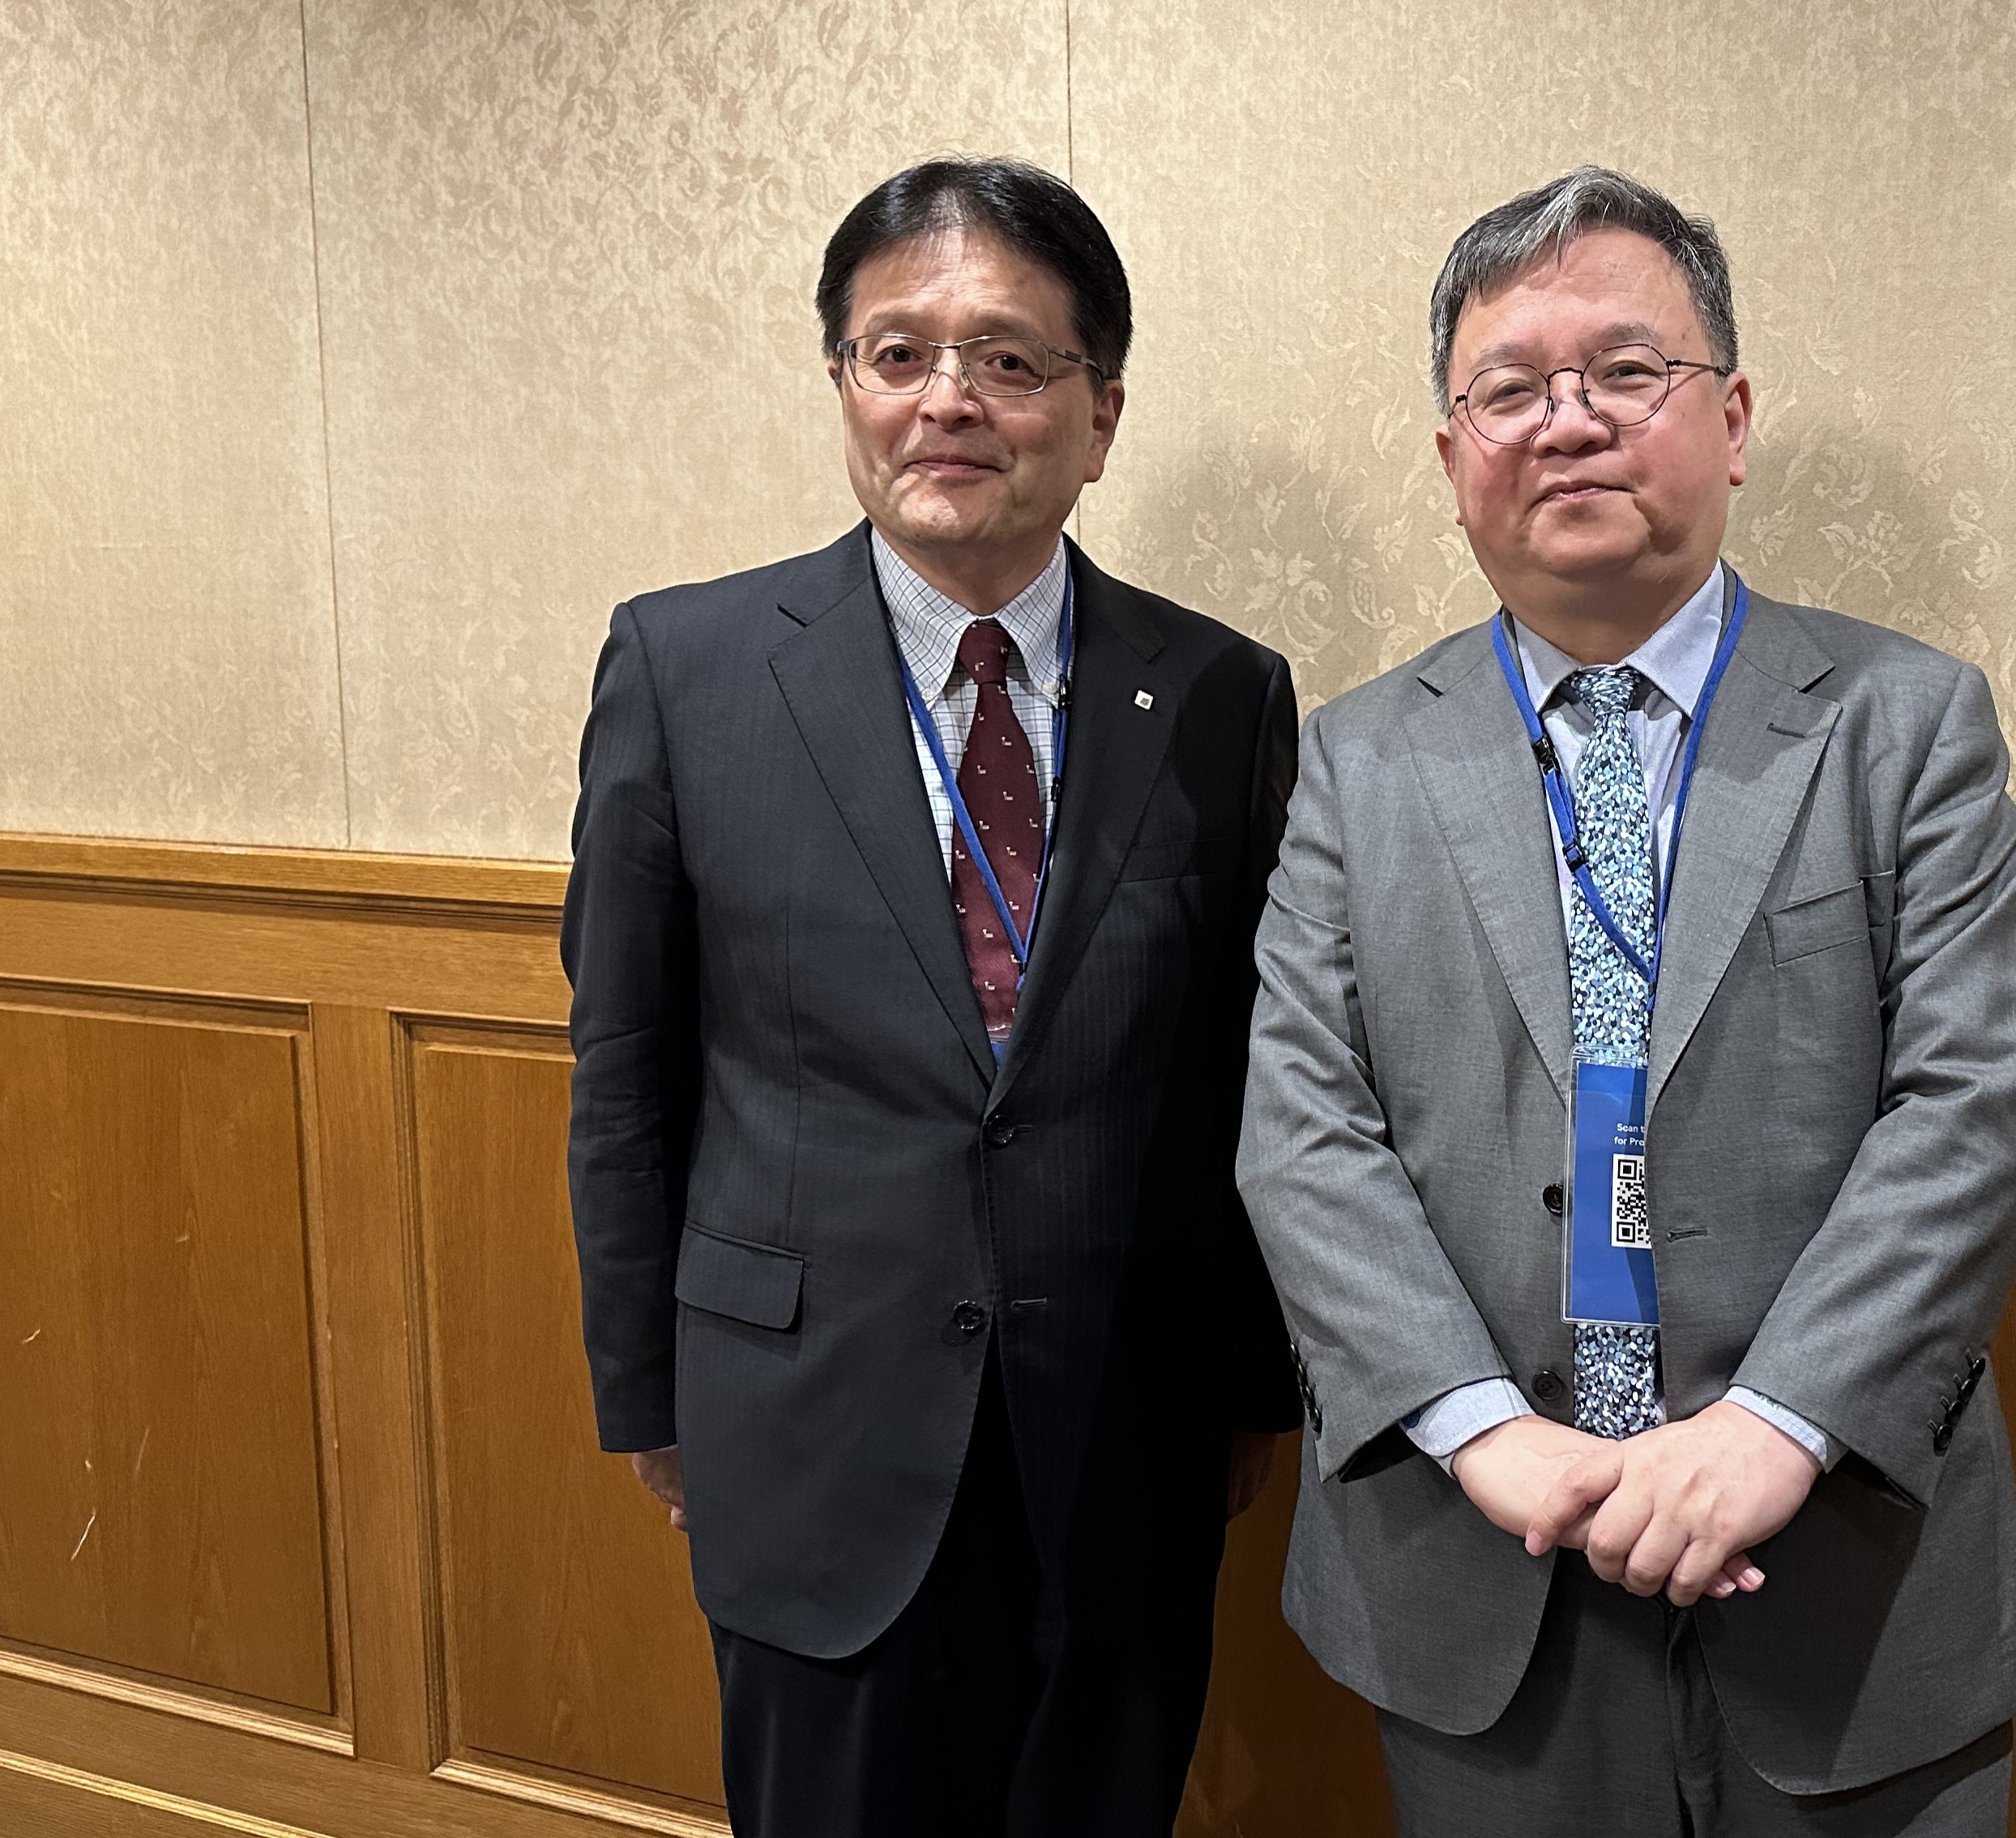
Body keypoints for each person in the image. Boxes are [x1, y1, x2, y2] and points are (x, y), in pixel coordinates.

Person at [1238, 166, 2016, 1834]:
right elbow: (1302, 1132)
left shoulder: (1907, 728)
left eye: (1629, 372)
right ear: (1451, 455)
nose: (1570, 424)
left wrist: (1778, 1424)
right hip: (1484, 1569)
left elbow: (1968, 1113)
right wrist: (1483, 1435)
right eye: (1511, 389)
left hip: (1843, 1564)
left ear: (1734, 417)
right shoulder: (1355, 761)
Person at [563, 157, 1297, 1837]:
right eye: (898, 355)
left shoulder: (1218, 691)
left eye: (1011, 361)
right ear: (843, 389)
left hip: (1122, 1436)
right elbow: (625, 1067)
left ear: (1100, 414)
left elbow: (1245, 1078)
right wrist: (654, 1397)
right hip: (808, 1432)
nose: (948, 401)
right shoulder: (685, 671)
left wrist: (1256, 1388)